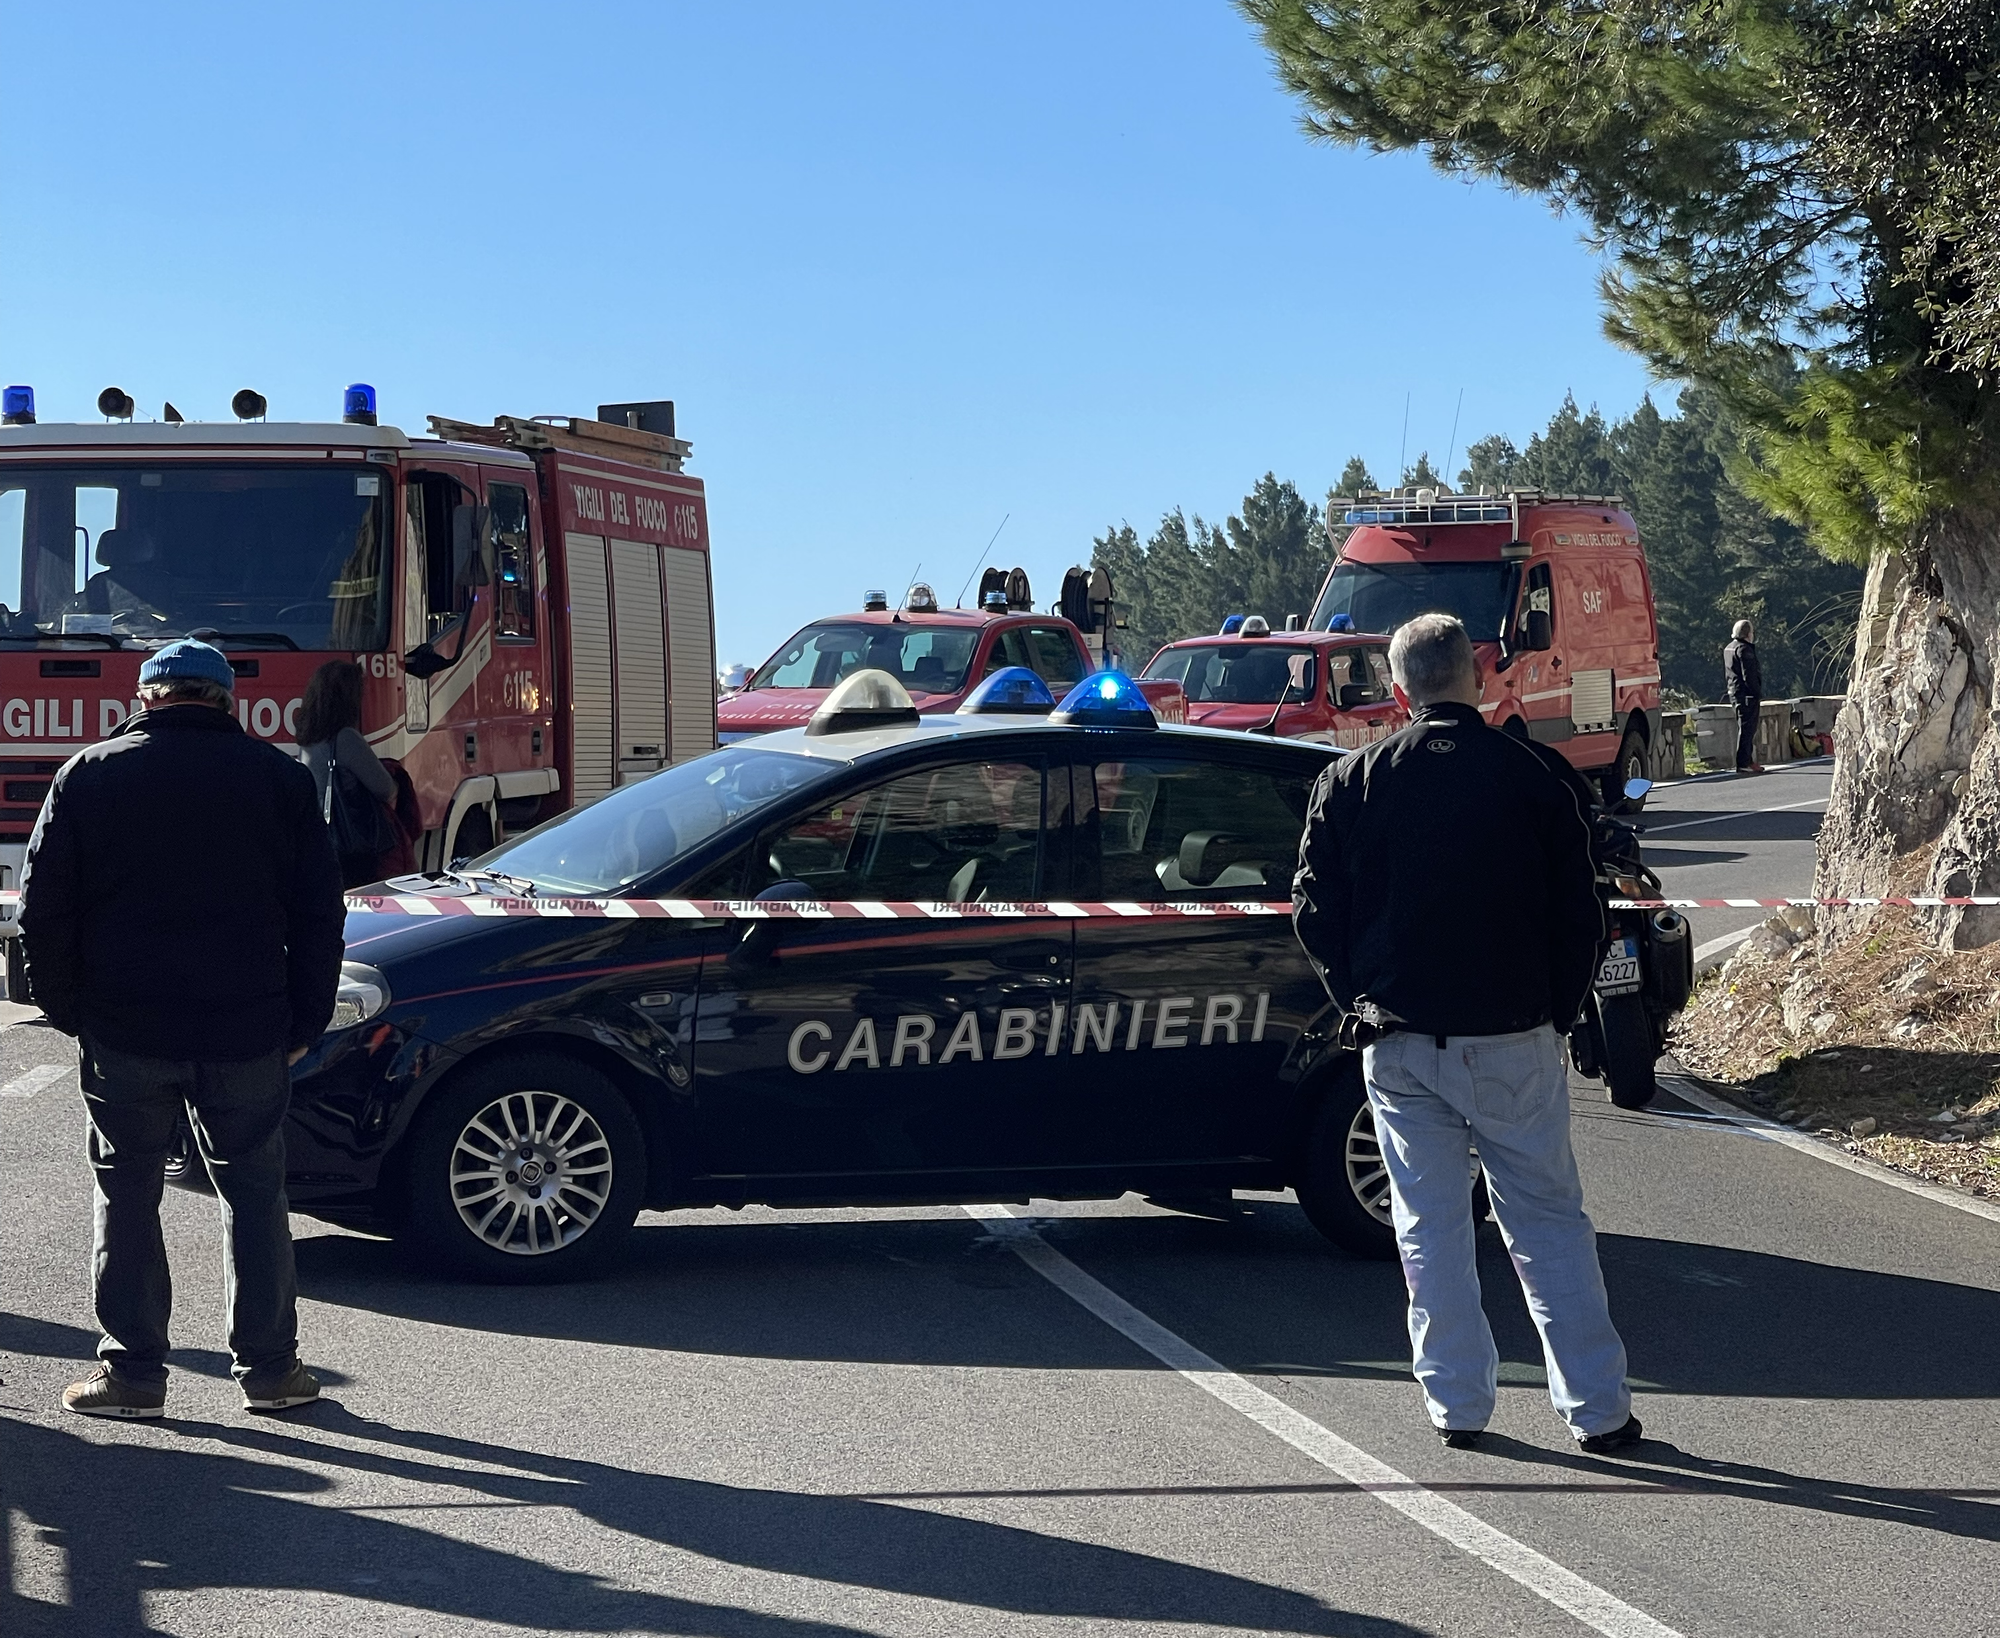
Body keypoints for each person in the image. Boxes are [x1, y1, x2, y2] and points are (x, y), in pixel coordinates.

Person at [1292, 613, 1643, 1455]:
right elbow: (1584, 914)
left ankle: (1456, 1404)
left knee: (1428, 1225)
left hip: (1401, 1039)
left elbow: (1314, 911)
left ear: (1398, 688)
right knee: (1547, 1223)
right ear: (1478, 677)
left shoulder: (1350, 782)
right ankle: (1597, 1408)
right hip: (1515, 1033)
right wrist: (1557, 1011)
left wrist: (1358, 999)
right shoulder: (1537, 774)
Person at [18, 639, 344, 1419]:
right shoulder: (280, 781)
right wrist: (307, 1018)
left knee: (125, 1193)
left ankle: (132, 1376)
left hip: (125, 1028)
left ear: (146, 696)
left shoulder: (88, 776)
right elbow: (319, 915)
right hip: (247, 1027)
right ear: (225, 700)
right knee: (255, 1193)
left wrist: (71, 1012)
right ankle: (270, 1371)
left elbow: (41, 913)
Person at [296, 659, 401, 887]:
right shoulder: (346, 738)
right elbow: (385, 788)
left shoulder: (308, 739)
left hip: (318, 840)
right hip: (352, 847)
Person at [1723, 619, 1763, 774]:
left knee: (1744, 726)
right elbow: (1749, 675)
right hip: (1747, 695)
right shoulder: (1744, 650)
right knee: (1747, 729)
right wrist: (1756, 692)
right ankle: (1743, 762)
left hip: (1734, 692)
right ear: (1748, 634)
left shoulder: (1729, 648)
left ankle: (1748, 760)